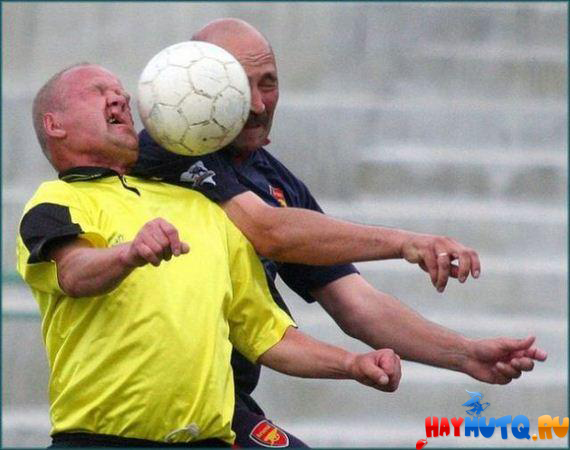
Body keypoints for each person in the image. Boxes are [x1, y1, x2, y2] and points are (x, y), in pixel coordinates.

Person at [133, 18, 548, 447]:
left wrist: (464, 354)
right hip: (148, 403)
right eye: (239, 85)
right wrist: (405, 243)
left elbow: (357, 305)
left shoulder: (277, 182)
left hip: (219, 403)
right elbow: (267, 231)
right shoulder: (169, 148)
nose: (258, 104)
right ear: (198, 85)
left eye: (268, 83)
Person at [17, 63, 403, 448]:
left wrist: (351, 364)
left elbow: (268, 335)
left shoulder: (204, 207)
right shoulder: (57, 202)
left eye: (120, 91)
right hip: (100, 441)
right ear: (55, 125)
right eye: (98, 91)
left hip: (209, 440)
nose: (120, 97)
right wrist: (129, 254)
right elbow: (74, 272)